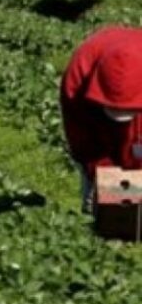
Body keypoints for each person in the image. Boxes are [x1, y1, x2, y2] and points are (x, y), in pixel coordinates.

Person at [60, 27, 142, 211]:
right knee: (100, 205)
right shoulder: (77, 82)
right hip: (97, 129)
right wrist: (110, 183)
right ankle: (98, 220)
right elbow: (85, 145)